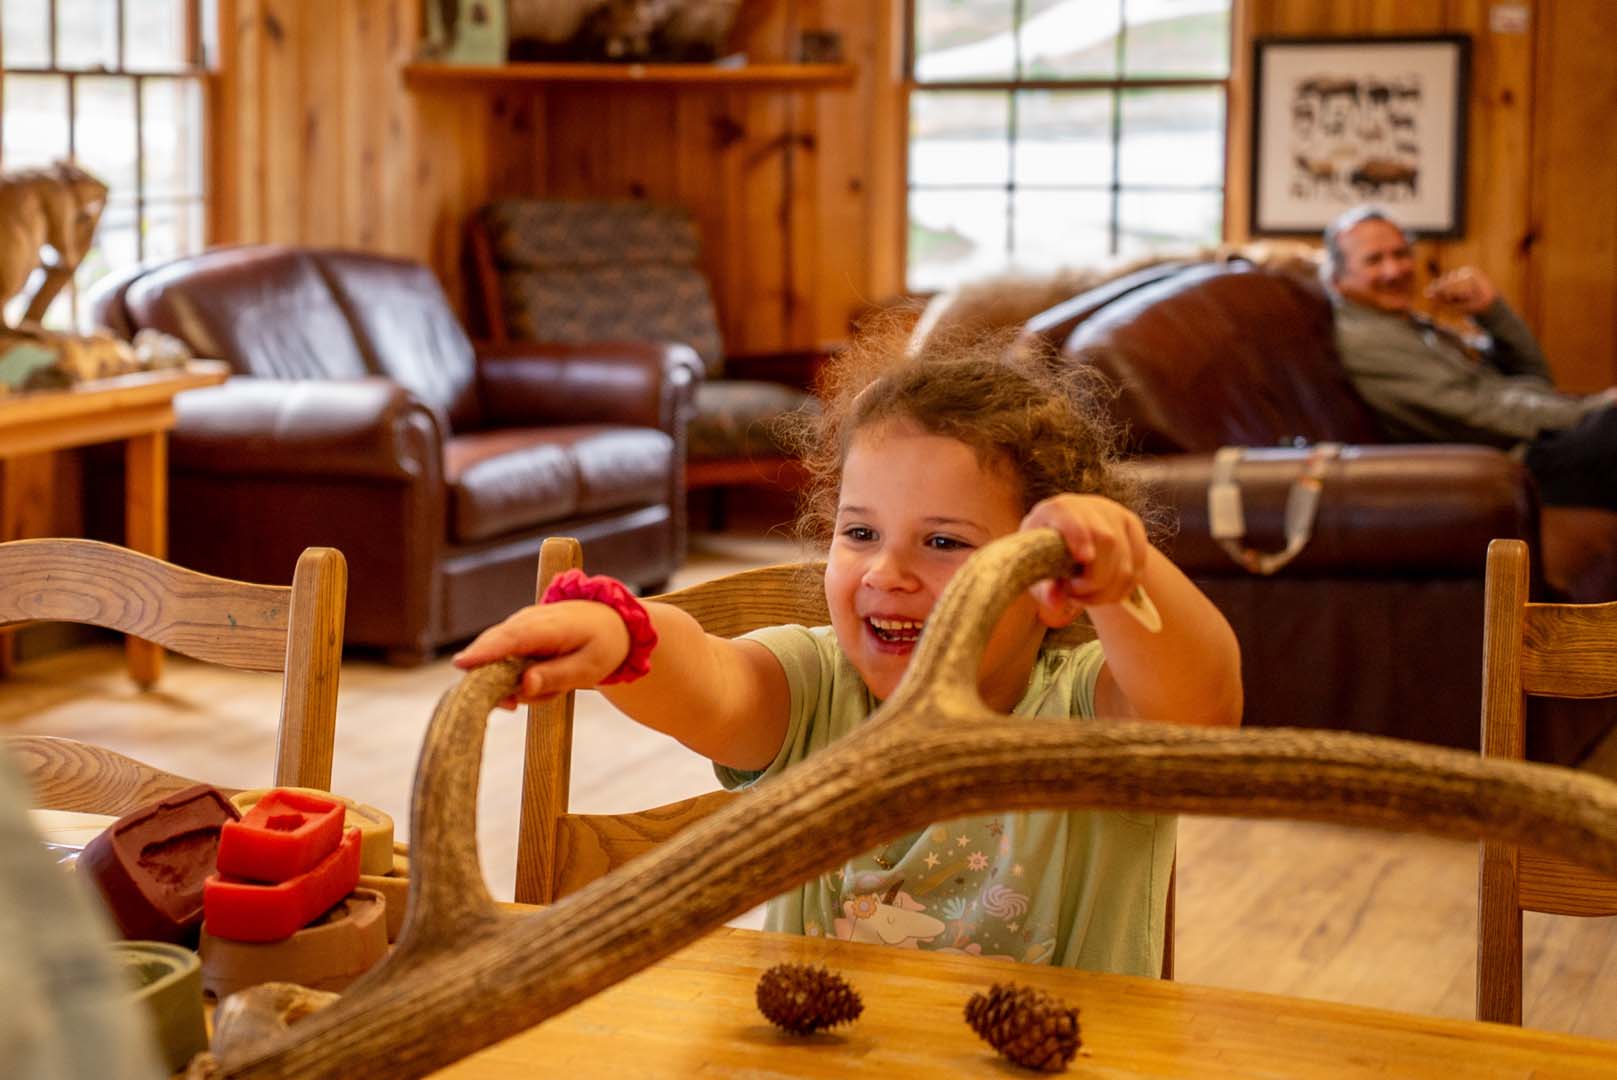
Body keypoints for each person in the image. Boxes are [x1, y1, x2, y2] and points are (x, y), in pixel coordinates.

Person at [454, 332, 1242, 976]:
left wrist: (1122, 568)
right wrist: (623, 636)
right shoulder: (815, 688)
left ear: (1054, 577)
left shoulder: (1090, 718)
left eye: (942, 542)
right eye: (859, 533)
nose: (886, 574)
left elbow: (1200, 711)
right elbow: (708, 681)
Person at [1323, 204, 1617, 511]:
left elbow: (1535, 379)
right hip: (1501, 471)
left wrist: (1491, 312)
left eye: (1401, 254)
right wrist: (1591, 409)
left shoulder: (1406, 325)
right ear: (1338, 279)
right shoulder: (1366, 341)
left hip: (1530, 448)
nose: (1394, 270)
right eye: (1374, 260)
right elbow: (1478, 411)